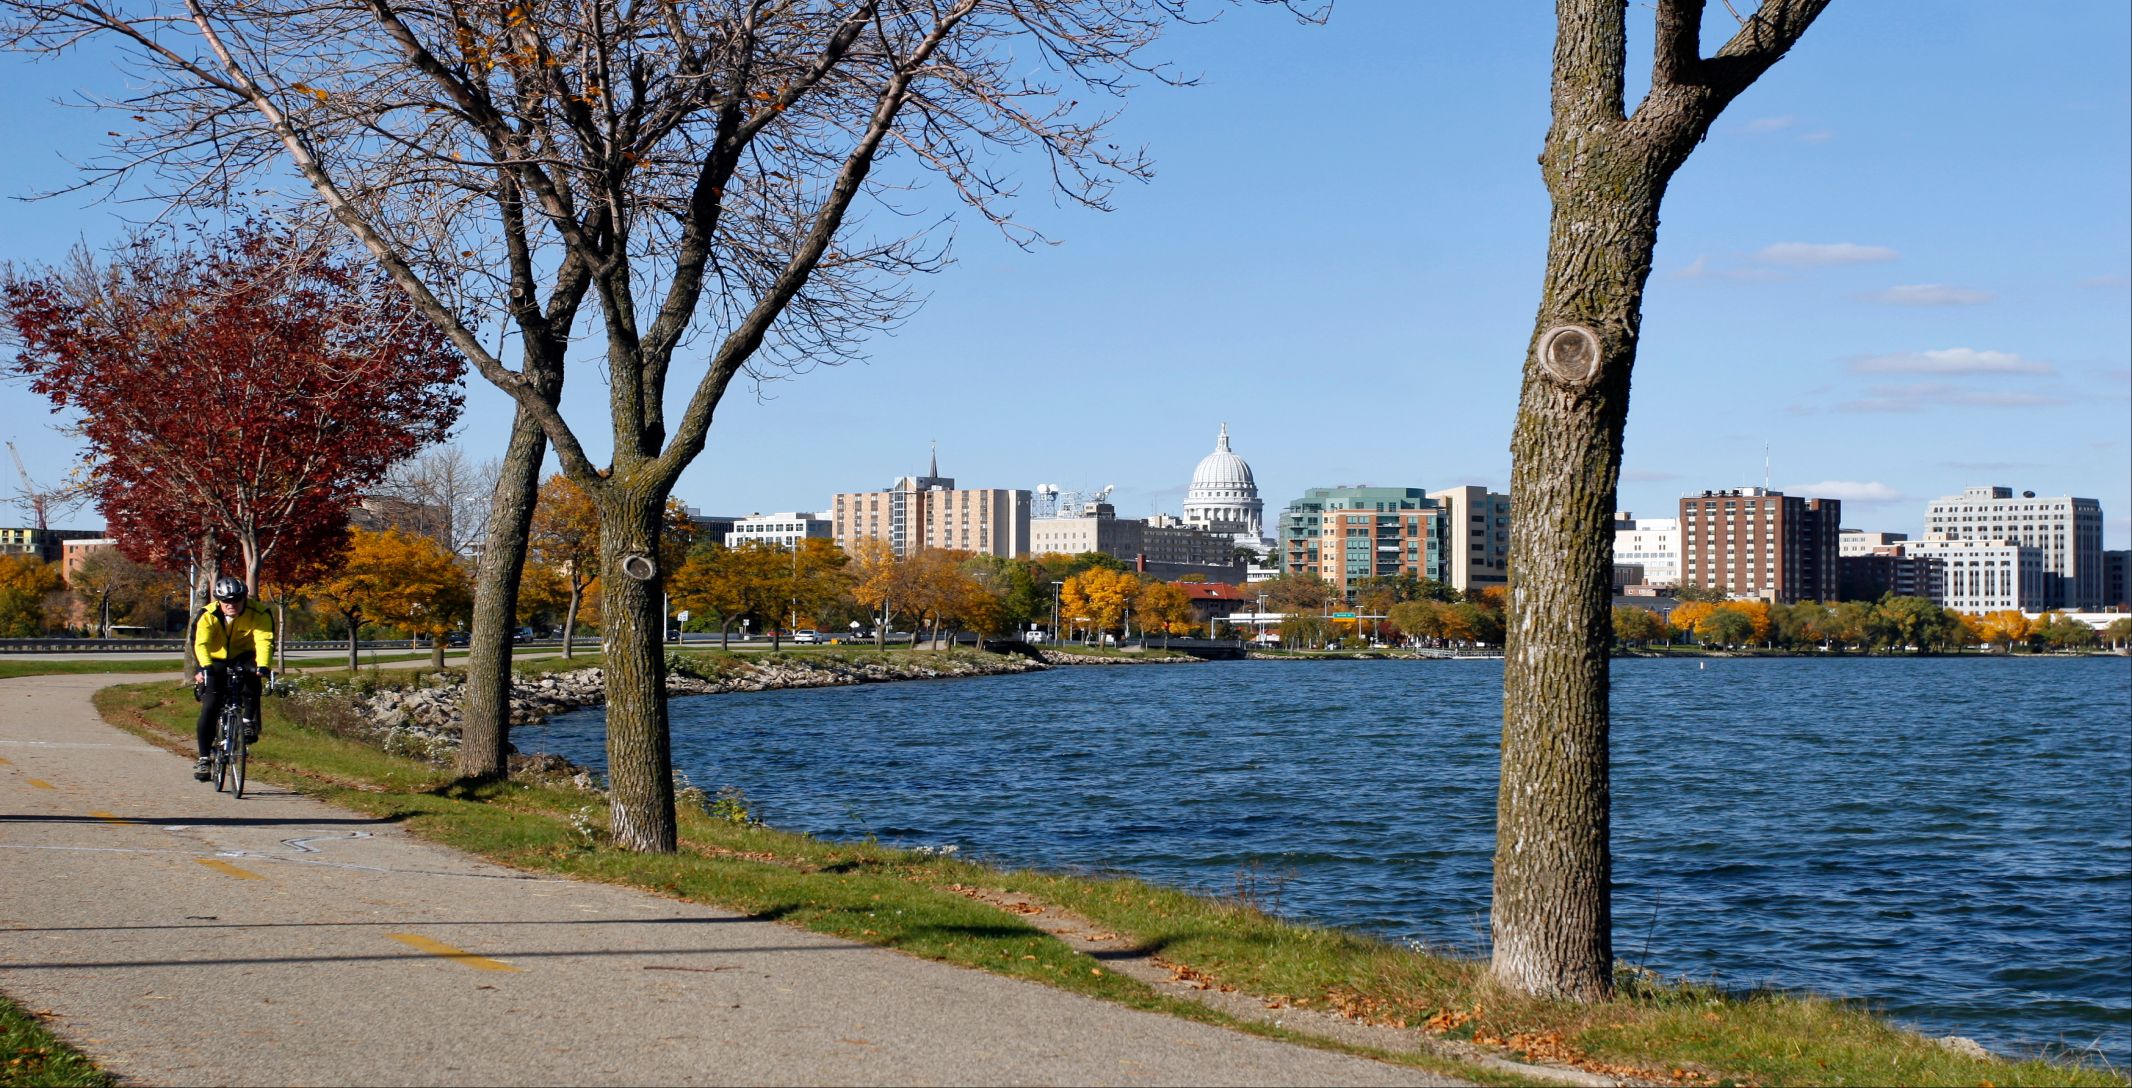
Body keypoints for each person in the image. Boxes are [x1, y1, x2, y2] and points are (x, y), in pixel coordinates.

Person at [191, 575, 275, 781]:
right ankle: (203, 759)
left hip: (244, 654)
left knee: (253, 674)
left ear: (244, 598)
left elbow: (264, 640)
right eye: (226, 601)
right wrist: (205, 668)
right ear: (219, 601)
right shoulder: (208, 615)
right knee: (210, 705)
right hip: (215, 657)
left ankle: (247, 720)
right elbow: (200, 643)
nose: (231, 605)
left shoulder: (260, 612)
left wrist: (263, 666)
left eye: (236, 600)